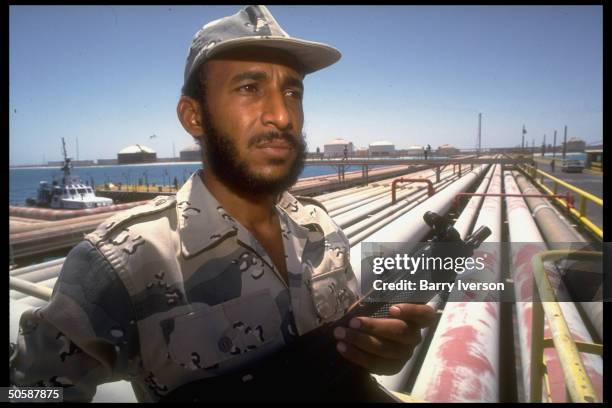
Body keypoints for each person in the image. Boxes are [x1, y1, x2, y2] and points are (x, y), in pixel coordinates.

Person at [9, 5, 434, 402]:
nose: (282, 116)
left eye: (292, 92)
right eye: (249, 87)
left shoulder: (319, 227)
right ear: (194, 116)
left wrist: (381, 350)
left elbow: (353, 353)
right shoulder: (125, 263)